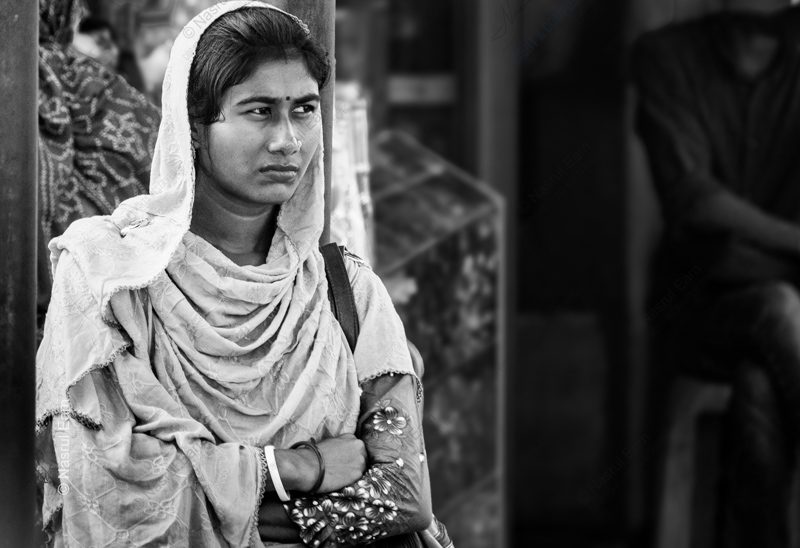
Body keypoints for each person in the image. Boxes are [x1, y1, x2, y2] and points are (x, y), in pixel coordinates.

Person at [35, 3, 451, 547]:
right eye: (259, 111)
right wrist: (297, 469)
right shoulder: (109, 281)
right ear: (195, 125)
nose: (288, 140)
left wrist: (235, 501)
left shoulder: (342, 290)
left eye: (303, 109)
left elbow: (402, 497)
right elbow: (106, 490)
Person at [633, 1, 800, 546]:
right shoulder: (666, 57)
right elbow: (693, 199)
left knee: (760, 380)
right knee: (777, 306)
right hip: (700, 309)